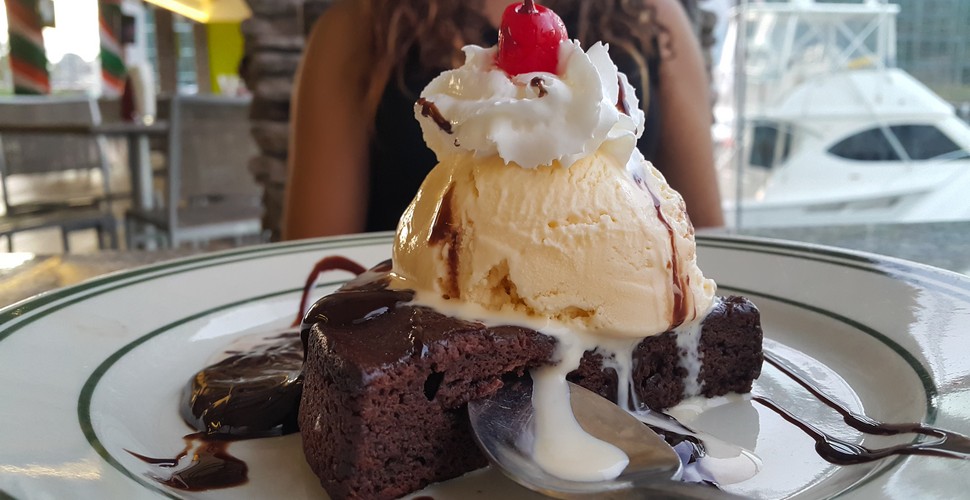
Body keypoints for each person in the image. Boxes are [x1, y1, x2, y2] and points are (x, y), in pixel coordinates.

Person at [283, 0, 724, 240]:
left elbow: (706, 240)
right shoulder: (356, 30)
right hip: (426, 350)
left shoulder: (653, 17)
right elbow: (314, 259)